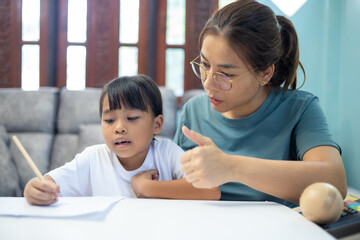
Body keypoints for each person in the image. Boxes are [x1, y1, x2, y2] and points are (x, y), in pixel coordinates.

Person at [174, 0, 347, 207]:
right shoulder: (193, 111)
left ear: (265, 73)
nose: (208, 83)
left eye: (226, 74)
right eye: (204, 64)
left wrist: (231, 167)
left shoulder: (300, 109)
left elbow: (335, 183)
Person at [24, 75, 220, 205]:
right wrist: (34, 188)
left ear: (157, 124)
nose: (119, 128)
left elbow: (211, 190)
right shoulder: (93, 158)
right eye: (109, 120)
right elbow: (47, 182)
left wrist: (146, 187)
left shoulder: (167, 152)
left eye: (132, 118)